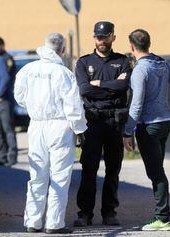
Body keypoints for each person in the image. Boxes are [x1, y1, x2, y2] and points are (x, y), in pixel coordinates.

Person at [15, 33, 87, 234]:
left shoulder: (28, 70)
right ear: (62, 49)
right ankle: (54, 224)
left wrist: (34, 107)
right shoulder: (63, 73)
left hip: (36, 125)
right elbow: (73, 106)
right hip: (60, 126)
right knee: (60, 175)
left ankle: (32, 221)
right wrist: (79, 129)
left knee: (37, 174)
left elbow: (19, 97)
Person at [123, 29, 170, 231]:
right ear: (149, 44)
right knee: (157, 170)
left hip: (148, 126)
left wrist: (127, 131)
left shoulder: (140, 70)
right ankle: (162, 215)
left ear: (131, 46)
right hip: (163, 123)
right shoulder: (162, 63)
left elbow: (137, 103)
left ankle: (163, 218)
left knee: (156, 173)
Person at [74, 21, 132, 227]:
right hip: (93, 120)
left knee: (113, 168)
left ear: (113, 37)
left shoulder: (122, 61)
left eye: (106, 37)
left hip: (114, 120)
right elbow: (84, 90)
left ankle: (109, 212)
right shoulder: (83, 62)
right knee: (89, 168)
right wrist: (111, 88)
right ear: (94, 38)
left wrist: (100, 85)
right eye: (99, 37)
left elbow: (124, 85)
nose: (102, 41)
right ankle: (85, 213)